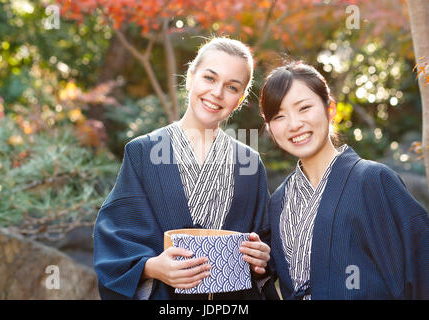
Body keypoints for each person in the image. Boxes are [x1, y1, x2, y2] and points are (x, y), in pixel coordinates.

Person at [93, 37, 275, 300]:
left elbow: (265, 247)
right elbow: (116, 236)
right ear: (190, 77)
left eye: (232, 87)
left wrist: (262, 259)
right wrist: (153, 267)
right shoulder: (143, 152)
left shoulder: (249, 163)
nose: (217, 93)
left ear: (240, 99)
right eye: (209, 78)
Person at [259, 60, 429, 300]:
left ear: (330, 110)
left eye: (304, 108)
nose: (294, 124)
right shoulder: (278, 201)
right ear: (270, 128)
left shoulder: (374, 180)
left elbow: (420, 269)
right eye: (279, 116)